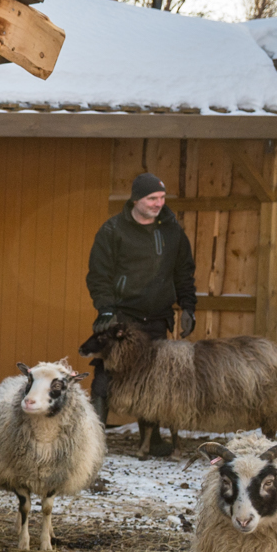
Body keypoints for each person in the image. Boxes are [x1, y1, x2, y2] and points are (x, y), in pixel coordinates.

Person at [86, 172, 197, 450]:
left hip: (158, 316)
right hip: (122, 316)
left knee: (154, 379)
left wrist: (188, 307)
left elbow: (184, 272)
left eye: (161, 197)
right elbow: (99, 275)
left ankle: (152, 440)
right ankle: (93, 442)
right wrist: (106, 310)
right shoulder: (113, 230)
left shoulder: (172, 231)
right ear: (136, 199)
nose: (158, 203)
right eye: (152, 198)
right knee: (106, 374)